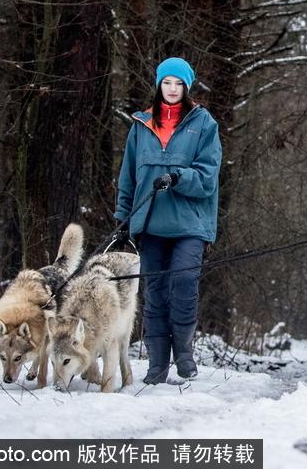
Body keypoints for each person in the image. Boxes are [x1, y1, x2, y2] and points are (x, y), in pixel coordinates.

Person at [114, 57, 222, 385]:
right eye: (167, 83)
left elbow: (207, 176)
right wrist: (122, 217)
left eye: (179, 84)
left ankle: (184, 353)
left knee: (185, 282)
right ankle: (157, 364)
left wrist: (178, 177)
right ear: (158, 85)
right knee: (156, 292)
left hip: (190, 222)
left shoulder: (203, 123)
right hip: (150, 223)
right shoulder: (141, 125)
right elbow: (129, 176)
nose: (172, 89)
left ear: (187, 87)